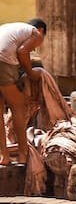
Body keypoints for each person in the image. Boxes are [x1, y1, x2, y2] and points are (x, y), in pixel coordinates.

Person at [0, 18, 47, 167]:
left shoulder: (11, 27)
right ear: (41, 31)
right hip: (3, 61)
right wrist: (31, 74)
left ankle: (4, 156)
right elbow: (23, 51)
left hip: (3, 58)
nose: (35, 48)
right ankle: (22, 154)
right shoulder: (36, 34)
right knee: (18, 107)